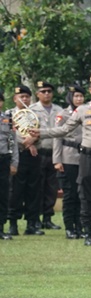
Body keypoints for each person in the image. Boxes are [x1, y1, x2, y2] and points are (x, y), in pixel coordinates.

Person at [27, 74, 91, 245]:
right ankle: (87, 233)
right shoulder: (82, 110)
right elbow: (64, 129)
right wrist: (42, 133)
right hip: (87, 156)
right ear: (90, 90)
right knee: (86, 195)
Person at [7, 85, 44, 236]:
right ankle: (13, 224)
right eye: (21, 97)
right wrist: (26, 143)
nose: (24, 99)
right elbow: (8, 136)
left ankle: (32, 224)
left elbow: (42, 133)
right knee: (15, 190)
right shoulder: (8, 115)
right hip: (17, 155)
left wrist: (33, 140)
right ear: (15, 99)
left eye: (26, 97)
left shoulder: (35, 115)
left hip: (33, 157)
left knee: (33, 190)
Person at [30, 81, 64, 231]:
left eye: (49, 91)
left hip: (54, 153)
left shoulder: (59, 110)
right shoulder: (32, 110)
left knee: (51, 188)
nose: (46, 94)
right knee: (37, 187)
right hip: (37, 152)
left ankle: (47, 218)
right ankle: (35, 218)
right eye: (43, 91)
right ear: (37, 94)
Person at [53, 84, 86, 239]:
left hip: (84, 158)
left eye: (81, 96)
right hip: (67, 157)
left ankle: (80, 226)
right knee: (69, 194)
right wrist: (57, 160)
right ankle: (69, 227)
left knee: (82, 194)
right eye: (76, 96)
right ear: (70, 98)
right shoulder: (63, 114)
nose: (78, 99)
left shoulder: (87, 112)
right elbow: (57, 137)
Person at [0, 91, 18, 240]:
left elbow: (13, 142)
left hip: (4, 159)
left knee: (3, 195)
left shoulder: (7, 120)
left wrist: (14, 162)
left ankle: (1, 228)